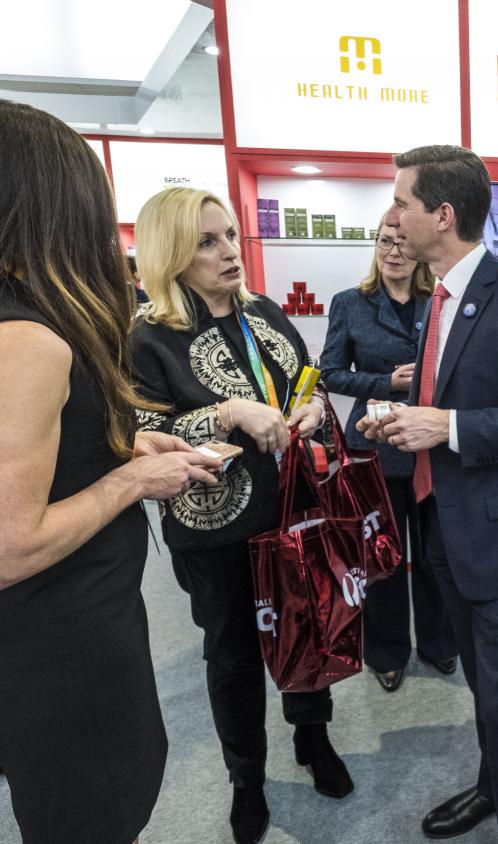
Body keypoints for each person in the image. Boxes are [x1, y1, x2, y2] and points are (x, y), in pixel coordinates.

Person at [0, 99, 222, 844]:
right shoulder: (28, 338)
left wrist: (122, 453)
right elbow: (10, 544)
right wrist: (130, 481)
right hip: (58, 645)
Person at [358, 144, 498, 843]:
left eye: (402, 202)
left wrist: (447, 425)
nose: (392, 216)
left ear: (443, 215)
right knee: (486, 691)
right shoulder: (439, 297)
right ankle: (492, 788)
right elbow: (443, 399)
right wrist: (403, 423)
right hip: (443, 526)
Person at [131, 187, 351, 844]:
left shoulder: (267, 314)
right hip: (214, 527)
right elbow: (142, 433)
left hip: (292, 508)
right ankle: (246, 777)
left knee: (305, 630)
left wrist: (314, 410)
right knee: (230, 654)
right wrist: (225, 414)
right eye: (206, 241)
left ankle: (313, 740)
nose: (228, 250)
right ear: (171, 253)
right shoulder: (149, 336)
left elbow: (307, 383)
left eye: (228, 235)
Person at [320, 220, 458, 693]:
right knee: (383, 556)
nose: (393, 252)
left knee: (436, 554)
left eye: (402, 243)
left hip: (428, 446)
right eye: (384, 242)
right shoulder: (350, 303)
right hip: (374, 447)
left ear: (420, 249)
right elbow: (332, 373)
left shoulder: (439, 302)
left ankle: (440, 643)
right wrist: (386, 383)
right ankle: (386, 651)